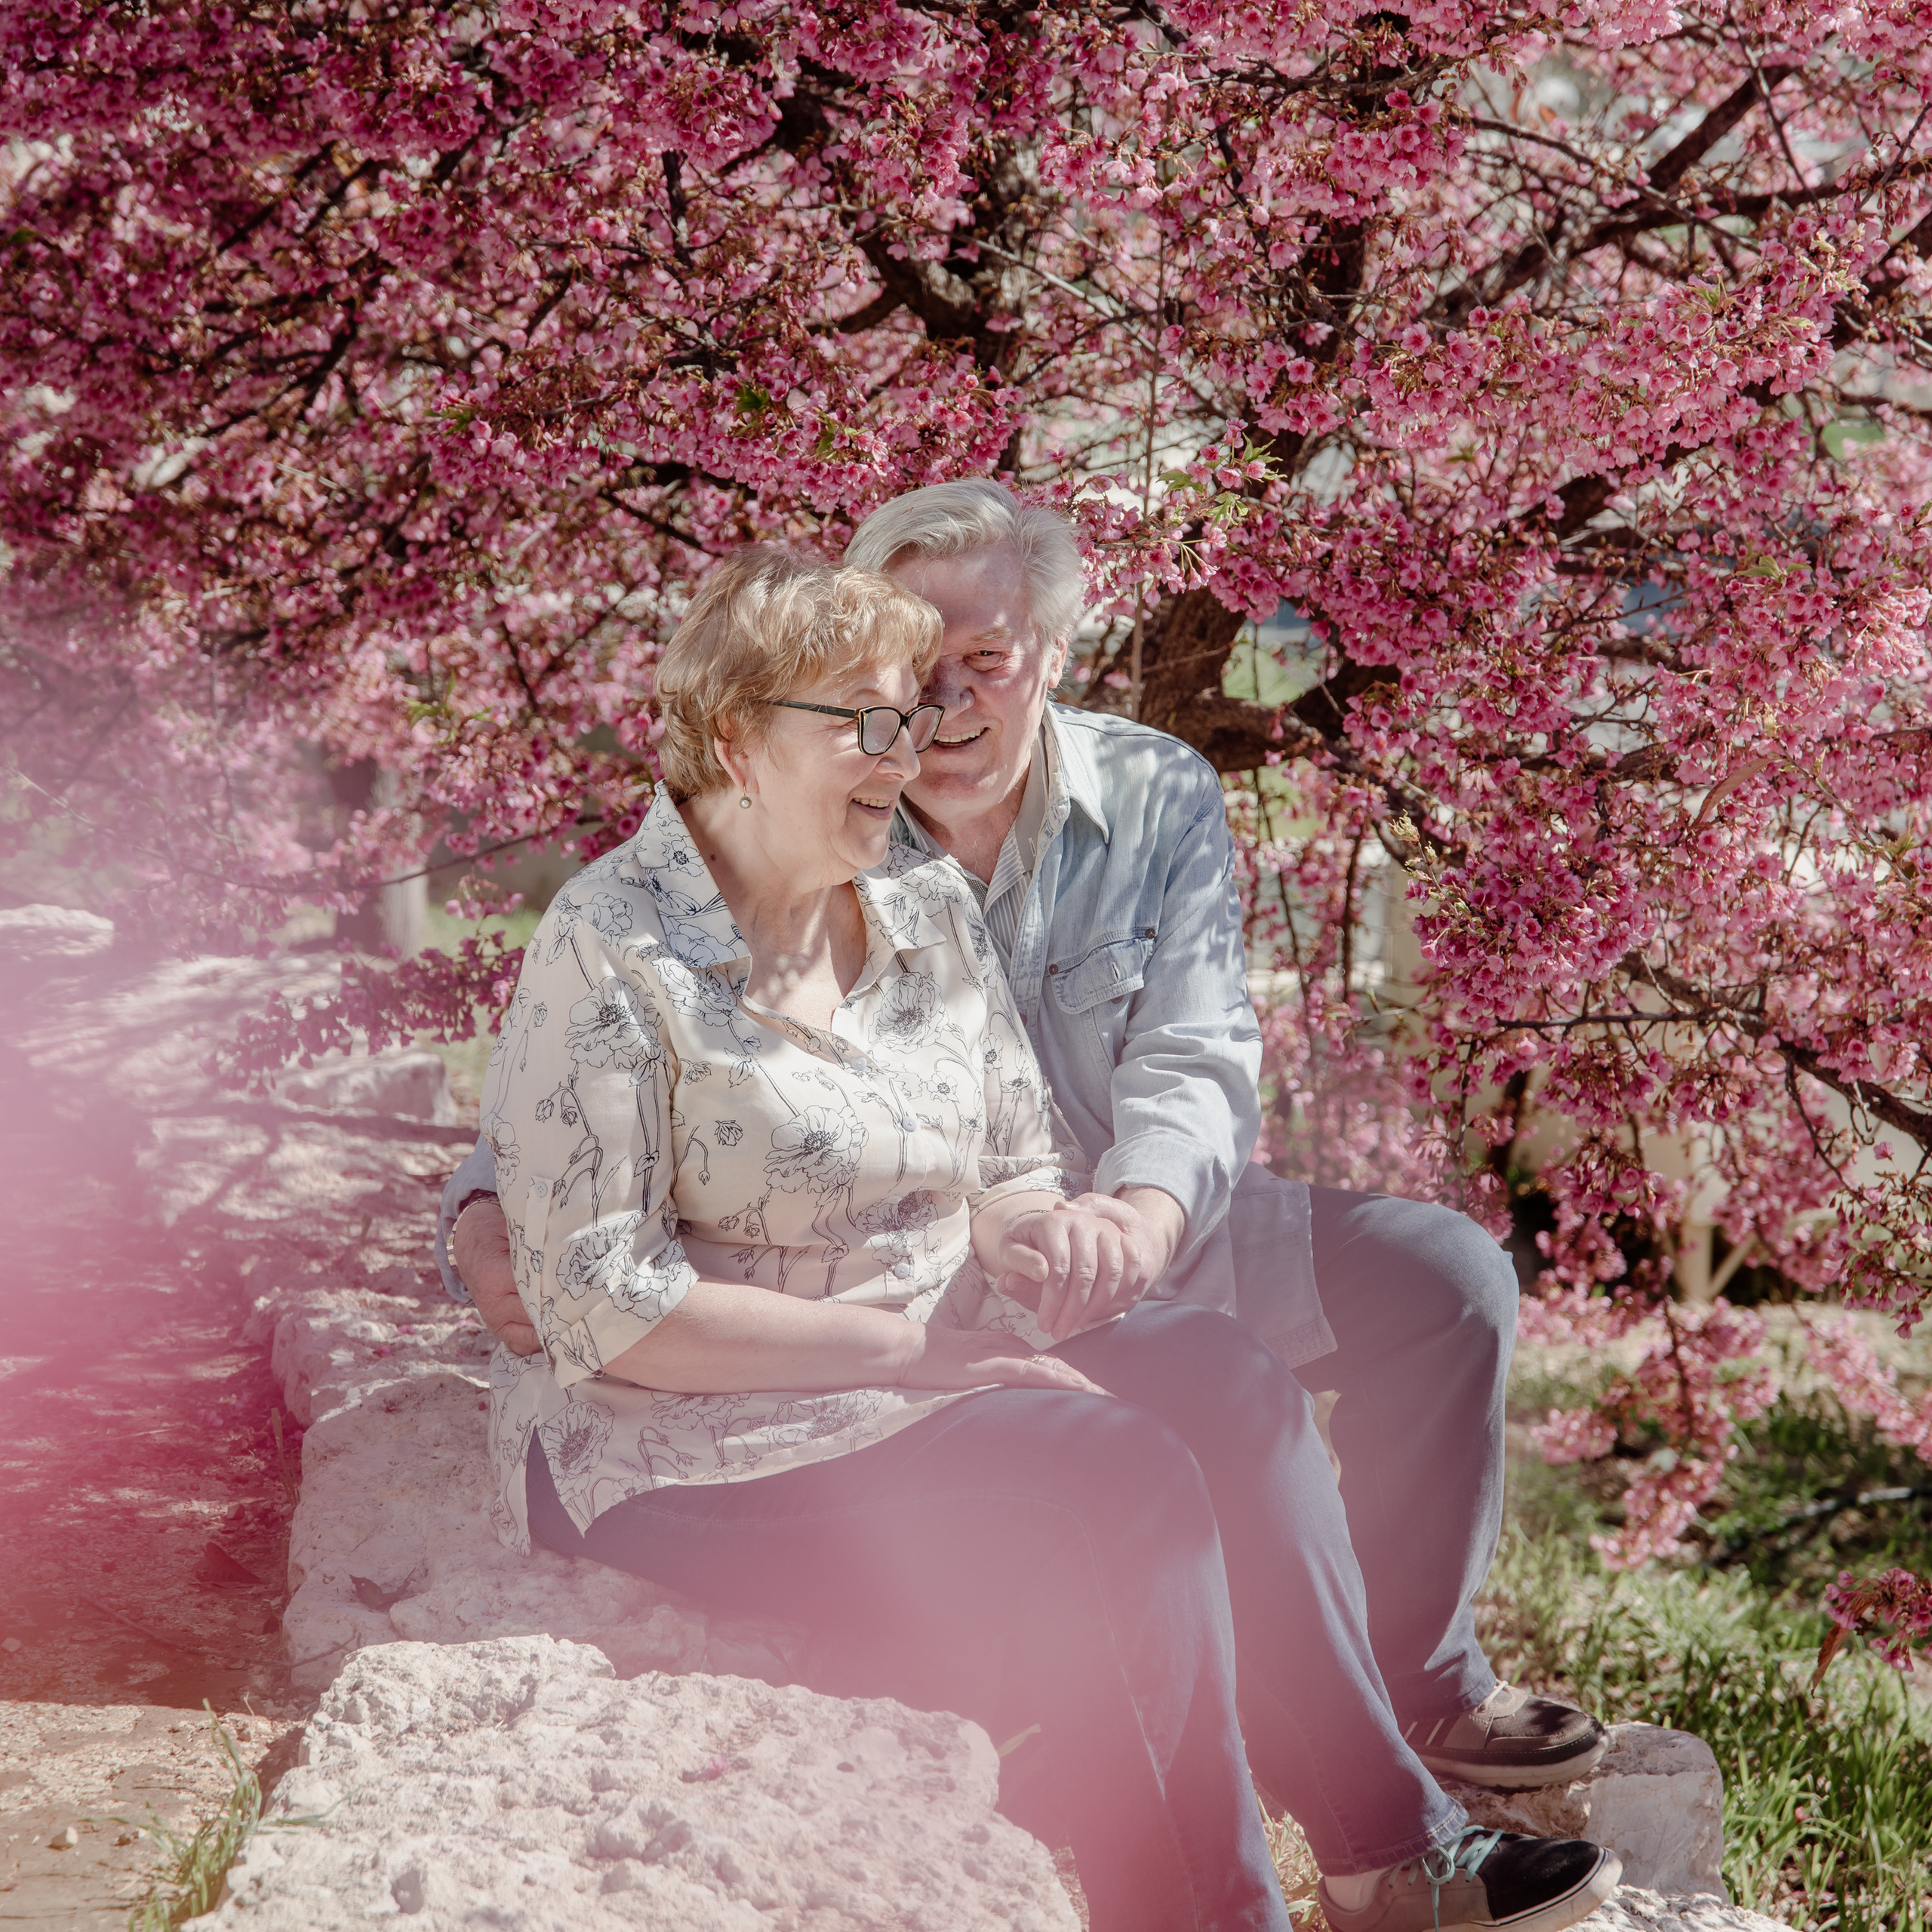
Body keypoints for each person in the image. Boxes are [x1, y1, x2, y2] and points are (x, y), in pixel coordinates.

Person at [441, 505, 1620, 1932]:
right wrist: (913, 1348)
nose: (912, 743)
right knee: (1117, 1481)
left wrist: (1046, 1225)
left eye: (938, 695)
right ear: (741, 739)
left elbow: (1045, 1125)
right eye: (871, 717)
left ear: (1051, 649)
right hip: (708, 1415)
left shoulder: (932, 891)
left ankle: (1385, 1850)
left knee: (1245, 1382)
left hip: (999, 1298)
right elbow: (595, 1263)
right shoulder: (620, 935)